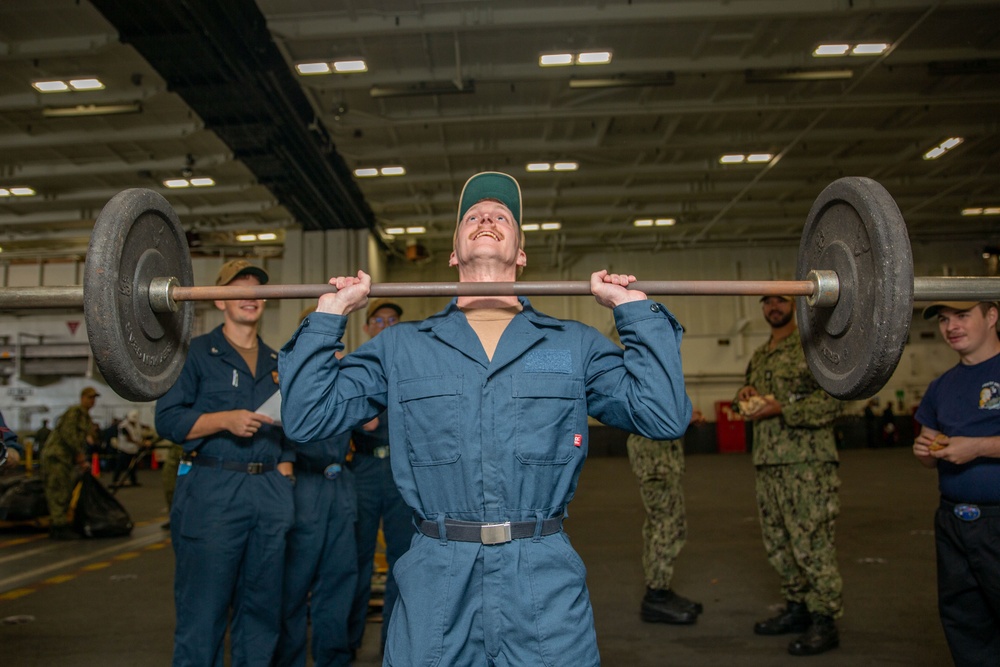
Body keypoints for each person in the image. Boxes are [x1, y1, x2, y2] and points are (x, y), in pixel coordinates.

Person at [278, 171, 692, 666]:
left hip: (543, 579)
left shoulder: (570, 345)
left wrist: (635, 313)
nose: (486, 218)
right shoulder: (403, 347)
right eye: (472, 216)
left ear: (520, 254)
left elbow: (663, 415)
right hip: (436, 576)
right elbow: (306, 418)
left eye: (502, 216)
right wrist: (329, 316)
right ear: (454, 253)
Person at [155, 258, 295, 667]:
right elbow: (167, 419)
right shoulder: (195, 354)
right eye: (239, 288)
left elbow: (290, 427)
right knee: (204, 610)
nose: (250, 296)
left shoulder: (277, 363)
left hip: (268, 493)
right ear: (219, 300)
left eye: (257, 289)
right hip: (213, 489)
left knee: (262, 611)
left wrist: (284, 471)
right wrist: (223, 420)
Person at [736, 295, 842, 656]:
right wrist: (744, 395)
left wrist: (783, 408)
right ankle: (798, 608)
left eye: (780, 300)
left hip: (807, 464)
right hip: (768, 461)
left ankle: (824, 618)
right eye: (767, 302)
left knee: (812, 544)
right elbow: (746, 396)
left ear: (795, 306)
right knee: (779, 544)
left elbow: (834, 400)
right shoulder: (761, 354)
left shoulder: (813, 349)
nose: (772, 307)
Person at [913, 300, 1000, 666]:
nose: (952, 327)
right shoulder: (941, 387)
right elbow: (928, 451)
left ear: (992, 316)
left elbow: (971, 448)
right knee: (965, 623)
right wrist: (925, 450)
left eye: (962, 316)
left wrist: (978, 447)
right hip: (954, 523)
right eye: (946, 320)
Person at [274, 308, 358, 667]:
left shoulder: (345, 375)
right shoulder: (287, 376)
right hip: (303, 487)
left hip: (340, 488)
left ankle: (333, 659)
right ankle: (289, 660)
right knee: (293, 586)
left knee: (340, 580)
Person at [347, 298, 415, 655]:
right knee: (356, 560)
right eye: (378, 320)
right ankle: (348, 644)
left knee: (401, 561)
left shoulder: (413, 367)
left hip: (402, 472)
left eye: (392, 320)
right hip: (363, 468)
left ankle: (394, 646)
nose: (386, 326)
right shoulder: (356, 367)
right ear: (367, 327)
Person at [627, 409, 706, 625]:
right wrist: (683, 415)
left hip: (660, 456)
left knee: (664, 523)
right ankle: (656, 596)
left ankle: (661, 589)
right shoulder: (647, 374)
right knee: (666, 526)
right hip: (655, 458)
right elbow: (649, 405)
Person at [41, 387, 99, 539]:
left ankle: (59, 524)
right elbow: (68, 434)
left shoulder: (85, 416)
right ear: (82, 398)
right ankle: (59, 526)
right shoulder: (75, 412)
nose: (92, 401)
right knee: (58, 490)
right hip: (56, 457)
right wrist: (79, 454)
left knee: (65, 489)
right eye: (89, 397)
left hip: (66, 458)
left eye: (94, 398)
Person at [111, 411, 148, 488]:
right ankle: (115, 481)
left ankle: (133, 480)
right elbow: (128, 438)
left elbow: (141, 429)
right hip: (124, 450)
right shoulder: (123, 426)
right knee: (119, 466)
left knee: (133, 467)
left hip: (133, 450)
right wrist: (140, 443)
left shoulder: (137, 424)